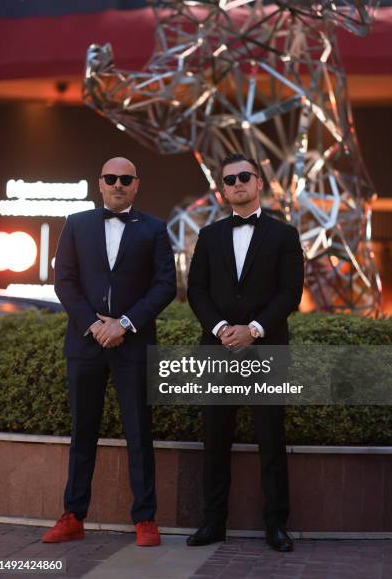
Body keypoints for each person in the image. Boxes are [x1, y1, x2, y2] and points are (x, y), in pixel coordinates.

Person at [42, 157, 176, 547]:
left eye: (126, 179)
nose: (118, 184)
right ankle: (73, 515)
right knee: (83, 431)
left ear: (137, 185)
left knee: (139, 432)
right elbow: (63, 281)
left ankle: (145, 519)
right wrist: (96, 324)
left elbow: (165, 285)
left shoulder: (155, 228)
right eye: (111, 178)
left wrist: (125, 324)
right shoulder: (76, 223)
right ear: (99, 183)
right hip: (85, 343)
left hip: (133, 343)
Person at [186, 152, 304, 552]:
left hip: (266, 348)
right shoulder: (208, 236)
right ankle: (213, 524)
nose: (236, 184)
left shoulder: (284, 235)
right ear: (222, 189)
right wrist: (221, 330)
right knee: (215, 441)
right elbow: (196, 290)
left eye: (243, 177)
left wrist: (253, 330)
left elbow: (291, 293)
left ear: (258, 183)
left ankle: (277, 526)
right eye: (229, 179)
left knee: (271, 439)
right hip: (217, 350)